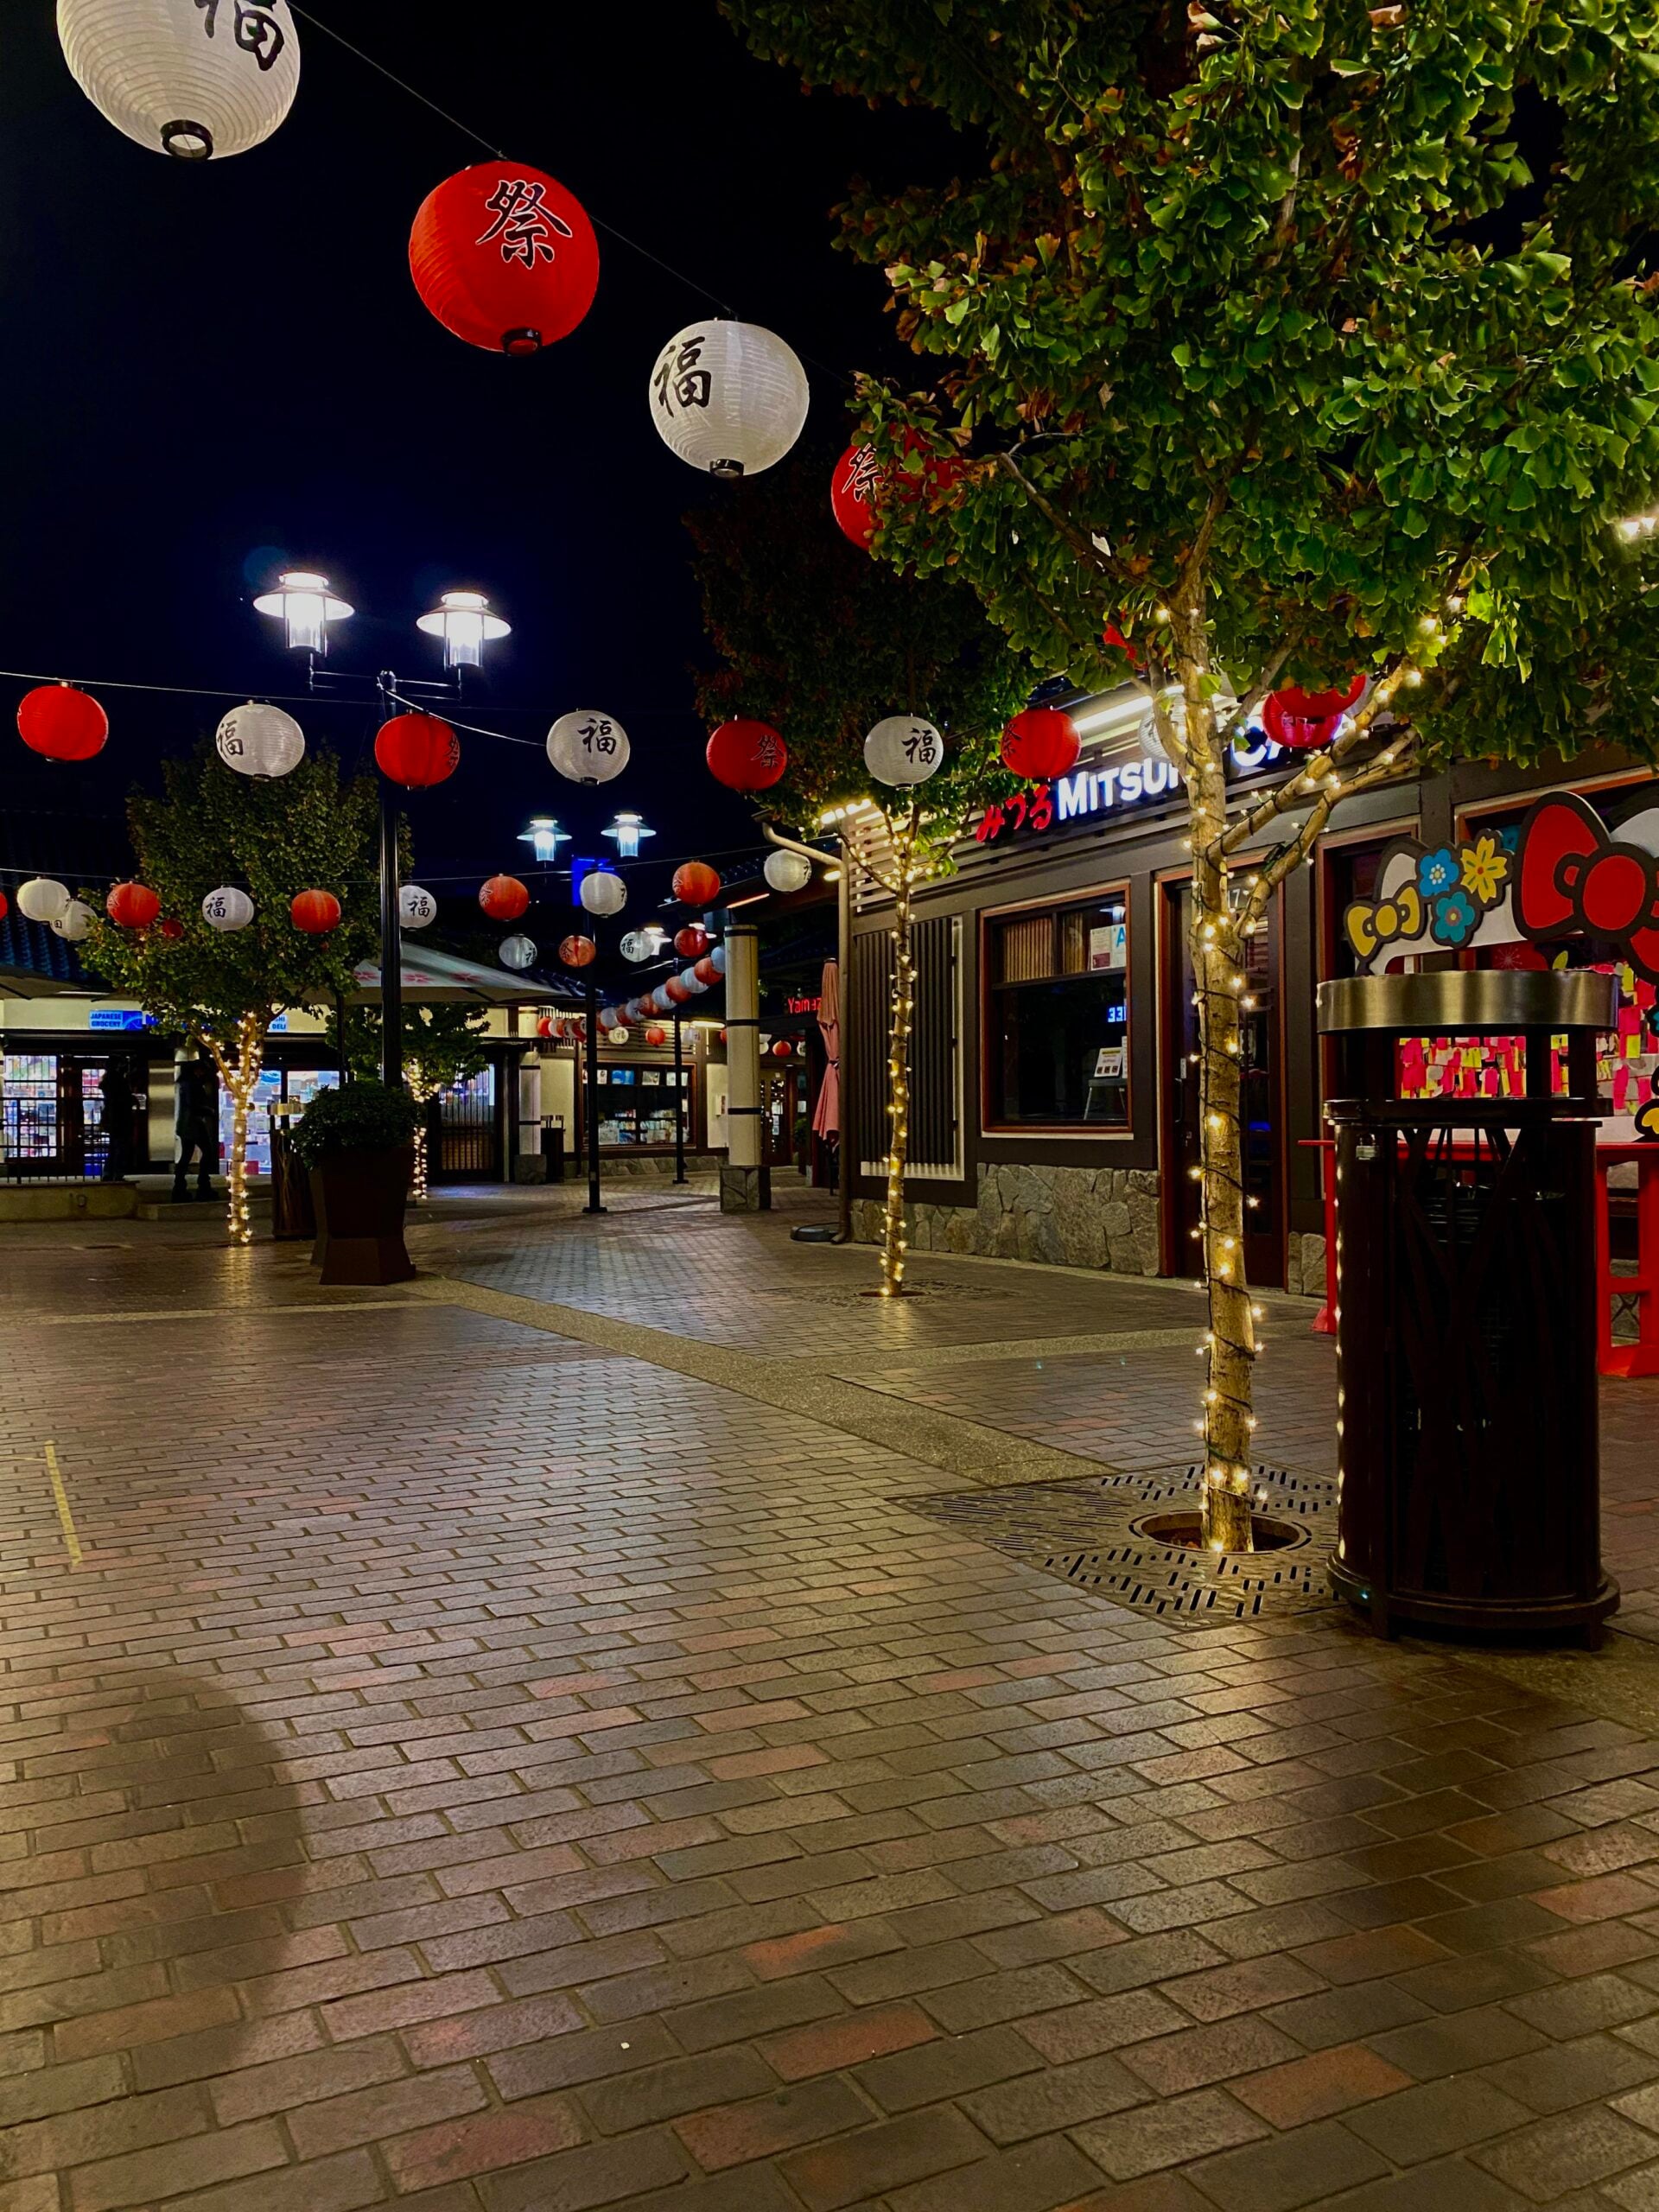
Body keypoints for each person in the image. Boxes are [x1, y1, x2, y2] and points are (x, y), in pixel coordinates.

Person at [171, 1049, 218, 1201]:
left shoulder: (184, 1083)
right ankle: (203, 1184)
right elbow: (194, 1104)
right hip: (194, 1124)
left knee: (186, 1156)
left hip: (185, 1125)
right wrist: (208, 1111)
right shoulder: (193, 1084)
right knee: (208, 1153)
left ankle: (179, 1186)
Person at [98, 1056, 136, 1182]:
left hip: (112, 1117)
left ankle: (108, 1172)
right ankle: (117, 1172)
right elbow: (125, 1099)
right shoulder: (119, 1081)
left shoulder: (107, 1081)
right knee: (121, 1146)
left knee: (114, 1146)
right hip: (121, 1117)